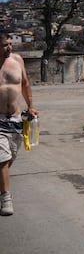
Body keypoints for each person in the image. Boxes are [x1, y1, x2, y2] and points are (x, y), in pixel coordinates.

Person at [0, 32, 38, 216]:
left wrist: (30, 106)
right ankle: (6, 197)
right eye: (4, 45)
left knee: (10, 158)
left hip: (15, 120)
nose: (9, 48)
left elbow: (25, 84)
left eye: (10, 44)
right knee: (3, 159)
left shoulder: (17, 60)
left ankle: (2, 187)